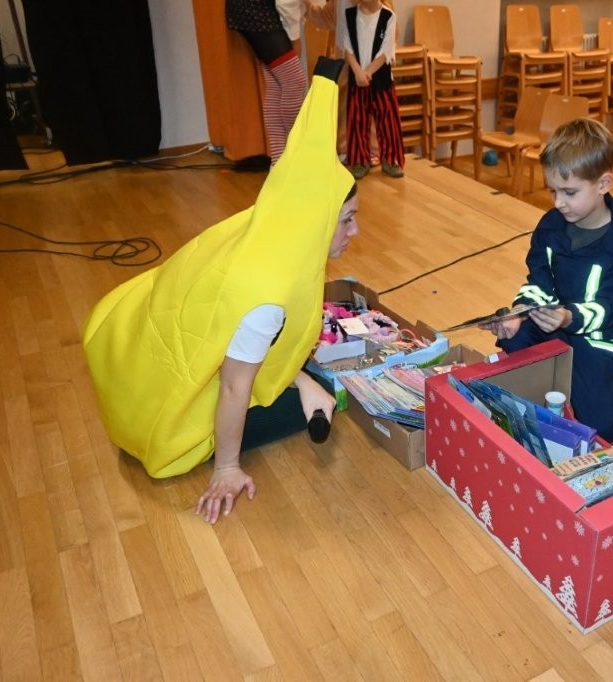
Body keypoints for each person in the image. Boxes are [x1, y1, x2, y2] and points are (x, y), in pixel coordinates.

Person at [83, 59, 356, 524]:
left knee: (302, 375)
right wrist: (227, 468)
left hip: (128, 365)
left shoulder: (257, 227)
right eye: (347, 219)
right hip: (158, 420)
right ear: (316, 219)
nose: (356, 231)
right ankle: (226, 441)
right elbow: (234, 383)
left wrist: (298, 377)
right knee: (328, 390)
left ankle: (303, 383)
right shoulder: (269, 297)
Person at [482, 118, 613, 442]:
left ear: (603, 183)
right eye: (553, 191)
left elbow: (612, 306)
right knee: (514, 337)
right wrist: (519, 313)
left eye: (569, 192)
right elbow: (538, 281)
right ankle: (547, 381)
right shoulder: (550, 225)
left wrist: (570, 317)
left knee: (605, 427)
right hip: (552, 323)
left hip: (597, 336)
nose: (558, 202)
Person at [226, 0, 309, 163]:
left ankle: (279, 161)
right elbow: (286, 2)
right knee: (294, 82)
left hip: (253, 10)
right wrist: (295, 39)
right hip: (258, 12)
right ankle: (296, 152)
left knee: (276, 85)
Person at [341, 0, 405, 178]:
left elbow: (386, 52)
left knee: (387, 119)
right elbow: (347, 49)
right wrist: (357, 71)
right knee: (357, 120)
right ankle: (360, 161)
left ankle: (390, 159)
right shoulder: (350, 16)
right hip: (357, 78)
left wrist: (367, 73)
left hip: (381, 80)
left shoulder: (388, 16)